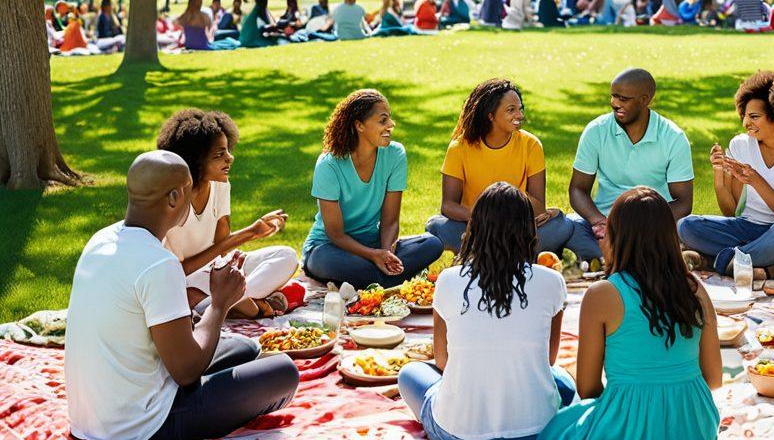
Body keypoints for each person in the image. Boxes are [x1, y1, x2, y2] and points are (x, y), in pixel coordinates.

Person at [65, 151, 299, 440]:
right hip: (142, 427)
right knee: (284, 374)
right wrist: (220, 303)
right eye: (190, 189)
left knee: (247, 348)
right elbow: (186, 372)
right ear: (174, 197)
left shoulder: (102, 239)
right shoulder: (158, 264)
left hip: (91, 417)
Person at [531, 187, 722, 440]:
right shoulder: (695, 289)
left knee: (558, 431)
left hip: (628, 437)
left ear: (619, 236)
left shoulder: (602, 294)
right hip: (693, 435)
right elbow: (714, 378)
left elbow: (588, 388)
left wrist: (634, 404)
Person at [398, 182, 576, 440]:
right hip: (535, 432)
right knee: (562, 379)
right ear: (530, 231)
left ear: (474, 229)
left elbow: (443, 360)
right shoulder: (552, 281)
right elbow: (548, 360)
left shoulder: (448, 280)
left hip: (458, 434)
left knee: (410, 373)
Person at [678, 71, 774, 281]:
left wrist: (755, 180)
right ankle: (763, 265)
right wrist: (719, 175)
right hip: (748, 229)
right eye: (744, 115)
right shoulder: (740, 145)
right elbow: (731, 213)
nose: (745, 123)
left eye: (754, 116)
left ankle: (717, 260)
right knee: (686, 226)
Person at [157, 110, 297, 317]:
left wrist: (255, 234)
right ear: (195, 162)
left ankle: (222, 304)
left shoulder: (220, 185)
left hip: (216, 273)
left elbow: (222, 247)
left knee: (287, 256)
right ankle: (237, 304)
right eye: (219, 154)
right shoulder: (172, 200)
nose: (230, 158)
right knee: (196, 286)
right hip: (185, 279)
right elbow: (180, 270)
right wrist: (251, 233)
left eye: (227, 150)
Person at [302, 90, 443, 288]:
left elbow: (390, 220)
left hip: (374, 245)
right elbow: (335, 233)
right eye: (383, 120)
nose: (391, 125)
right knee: (343, 265)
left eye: (389, 119)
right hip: (329, 247)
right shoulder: (329, 164)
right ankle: (384, 280)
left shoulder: (395, 155)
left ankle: (378, 279)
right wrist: (372, 255)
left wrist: (386, 254)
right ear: (359, 125)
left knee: (432, 245)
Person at [425, 78, 573, 252]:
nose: (520, 116)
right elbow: (448, 205)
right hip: (476, 229)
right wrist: (481, 218)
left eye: (520, 109)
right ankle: (508, 253)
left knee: (561, 223)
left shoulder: (531, 145)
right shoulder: (459, 148)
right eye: (511, 110)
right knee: (437, 226)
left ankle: (486, 253)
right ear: (490, 115)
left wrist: (504, 220)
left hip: (517, 229)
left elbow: (539, 206)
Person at [566, 69, 694, 260]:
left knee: (685, 229)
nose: (615, 103)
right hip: (604, 225)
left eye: (623, 99)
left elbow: (683, 202)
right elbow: (577, 189)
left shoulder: (673, 138)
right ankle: (630, 257)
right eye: (613, 96)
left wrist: (639, 226)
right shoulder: (596, 131)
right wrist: (599, 222)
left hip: (650, 225)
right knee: (566, 227)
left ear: (645, 99)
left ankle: (609, 257)